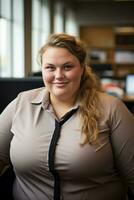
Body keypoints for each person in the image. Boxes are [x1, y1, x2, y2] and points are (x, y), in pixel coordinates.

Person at [0, 33, 134, 200]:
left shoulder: (112, 109)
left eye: (67, 67)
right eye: (50, 67)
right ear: (42, 69)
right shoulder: (21, 103)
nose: (58, 75)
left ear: (82, 68)